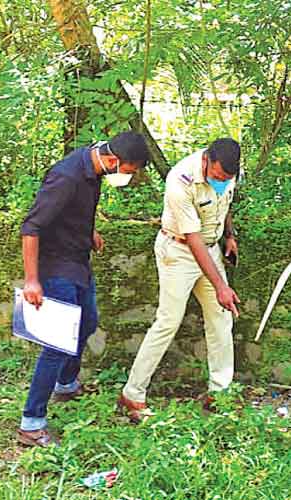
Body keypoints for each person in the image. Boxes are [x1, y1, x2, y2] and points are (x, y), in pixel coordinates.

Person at [17, 132, 150, 447]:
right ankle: (31, 422)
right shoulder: (66, 177)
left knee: (88, 322)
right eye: (128, 171)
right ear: (113, 159)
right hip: (54, 266)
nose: (127, 177)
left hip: (77, 260)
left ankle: (66, 384)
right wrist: (32, 280)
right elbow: (31, 227)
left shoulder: (93, 169)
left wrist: (89, 231)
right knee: (57, 342)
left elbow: (74, 210)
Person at [118, 138, 242, 424]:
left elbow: (225, 203)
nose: (223, 181)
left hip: (210, 247)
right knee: (167, 322)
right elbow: (193, 239)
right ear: (207, 160)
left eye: (228, 177)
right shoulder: (181, 179)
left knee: (221, 319)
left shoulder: (230, 169)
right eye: (219, 176)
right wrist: (221, 286)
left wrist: (230, 235)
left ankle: (220, 393)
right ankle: (132, 394)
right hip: (180, 251)